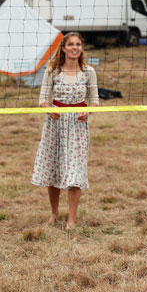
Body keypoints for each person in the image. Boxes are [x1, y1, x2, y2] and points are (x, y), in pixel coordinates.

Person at [31, 32, 99, 230]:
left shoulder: (88, 72)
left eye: (78, 44)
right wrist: (49, 108)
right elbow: (42, 99)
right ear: (63, 48)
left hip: (77, 127)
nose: (75, 48)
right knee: (54, 169)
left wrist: (88, 110)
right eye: (71, 44)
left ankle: (71, 220)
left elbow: (95, 100)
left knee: (75, 172)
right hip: (56, 124)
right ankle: (54, 213)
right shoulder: (53, 70)